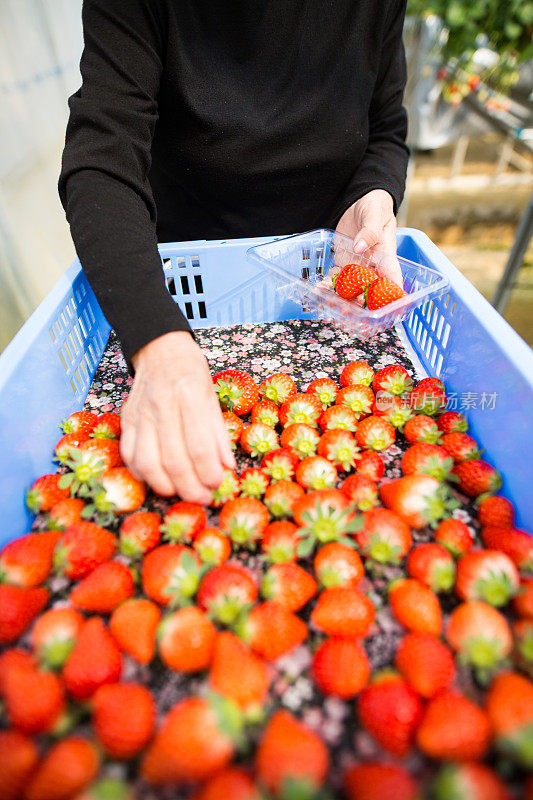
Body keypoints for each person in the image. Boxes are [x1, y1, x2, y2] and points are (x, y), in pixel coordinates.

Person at [59, 0, 409, 504]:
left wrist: (374, 194)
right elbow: (102, 159)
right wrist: (158, 342)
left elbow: (388, 128)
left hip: (327, 284)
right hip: (180, 288)